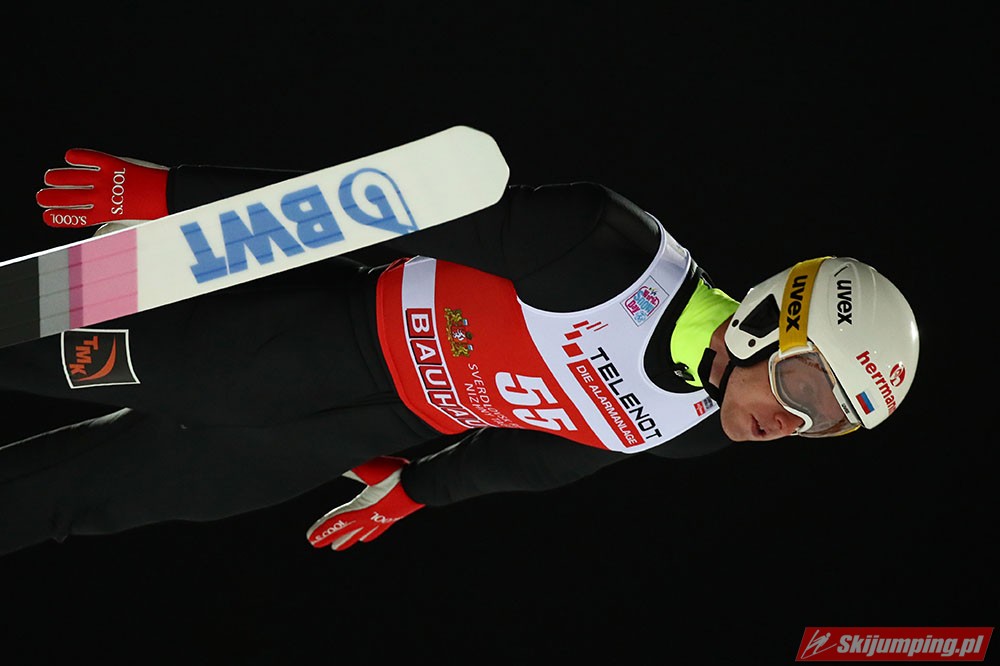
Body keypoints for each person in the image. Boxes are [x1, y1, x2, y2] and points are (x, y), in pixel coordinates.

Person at [0, 146, 919, 556]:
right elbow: (380, 210)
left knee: (65, 506)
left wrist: (418, 490)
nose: (794, 425)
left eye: (828, 423)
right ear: (770, 318)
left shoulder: (698, 429)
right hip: (281, 342)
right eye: (808, 389)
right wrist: (175, 196)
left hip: (315, 443)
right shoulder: (606, 251)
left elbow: (550, 455)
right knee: (23, 345)